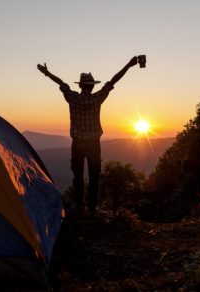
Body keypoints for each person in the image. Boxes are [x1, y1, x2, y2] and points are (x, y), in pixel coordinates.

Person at [37, 56, 139, 215]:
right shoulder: (97, 98)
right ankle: (92, 208)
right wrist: (129, 65)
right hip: (93, 144)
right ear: (91, 87)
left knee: (77, 177)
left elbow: (60, 82)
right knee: (94, 177)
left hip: (77, 144)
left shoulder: (72, 98)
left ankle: (80, 207)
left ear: (81, 86)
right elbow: (113, 80)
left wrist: (46, 72)